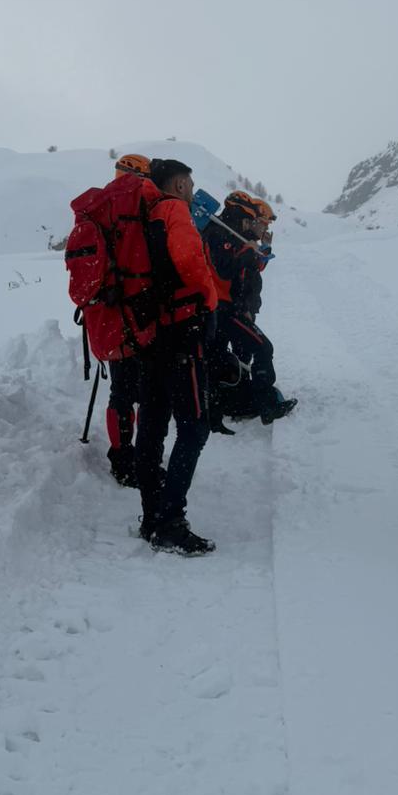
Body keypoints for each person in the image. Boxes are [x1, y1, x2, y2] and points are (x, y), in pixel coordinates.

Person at [134, 158, 220, 555]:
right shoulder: (173, 210)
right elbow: (188, 260)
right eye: (190, 184)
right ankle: (170, 521)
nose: (191, 191)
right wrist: (209, 301)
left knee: (152, 424)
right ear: (181, 184)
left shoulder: (143, 214)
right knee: (194, 427)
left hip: (150, 335)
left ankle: (152, 515)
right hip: (182, 334)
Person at [206, 191, 297, 426]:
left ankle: (233, 403)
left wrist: (261, 248)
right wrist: (249, 250)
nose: (263, 227)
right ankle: (266, 404)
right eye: (260, 222)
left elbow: (251, 267)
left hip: (230, 308)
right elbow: (226, 269)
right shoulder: (219, 233)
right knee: (262, 348)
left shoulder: (233, 235)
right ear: (244, 217)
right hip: (224, 309)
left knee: (226, 357)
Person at [102, 154, 151, 487]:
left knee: (120, 390)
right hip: (141, 309)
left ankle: (121, 456)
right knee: (144, 388)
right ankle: (132, 458)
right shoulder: (141, 206)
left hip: (108, 311)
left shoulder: (101, 206)